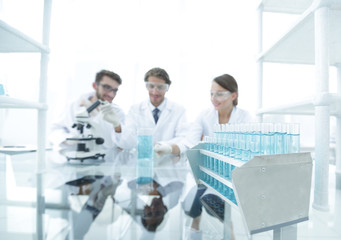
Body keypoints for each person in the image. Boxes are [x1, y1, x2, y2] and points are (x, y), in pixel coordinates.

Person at [171, 73, 254, 154]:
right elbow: (189, 143)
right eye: (212, 94)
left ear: (233, 96)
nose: (213, 99)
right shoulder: (204, 115)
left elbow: (251, 146)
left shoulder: (245, 117)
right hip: (209, 165)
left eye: (219, 94)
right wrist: (169, 149)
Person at [117, 67, 188, 156]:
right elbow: (127, 141)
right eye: (151, 86)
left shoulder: (179, 110)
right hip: (142, 159)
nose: (155, 92)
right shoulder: (135, 109)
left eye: (160, 87)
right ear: (146, 86)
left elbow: (183, 138)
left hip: (169, 161)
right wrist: (117, 126)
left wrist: (163, 146)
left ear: (167, 88)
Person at [49, 70, 125, 149]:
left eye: (115, 90)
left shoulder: (118, 113)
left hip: (106, 159)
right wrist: (66, 139)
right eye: (107, 87)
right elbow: (55, 129)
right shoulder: (73, 105)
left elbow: (122, 144)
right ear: (95, 85)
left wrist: (97, 115)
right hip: (75, 158)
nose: (111, 94)